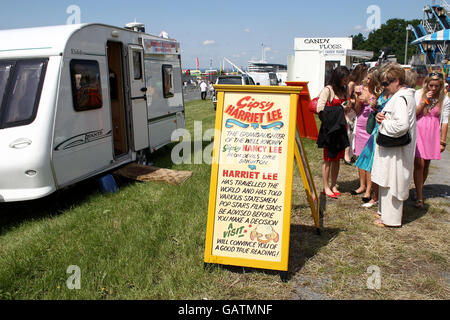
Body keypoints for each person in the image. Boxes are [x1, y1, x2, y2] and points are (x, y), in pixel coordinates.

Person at [371, 64, 417, 228]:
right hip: (395, 149)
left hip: (396, 150)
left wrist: (384, 123)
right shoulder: (403, 96)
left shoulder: (400, 98)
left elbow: (401, 125)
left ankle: (391, 220)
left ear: (397, 81)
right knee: (388, 180)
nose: (383, 87)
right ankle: (386, 215)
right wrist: (382, 118)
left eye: (385, 83)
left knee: (392, 181)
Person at [412, 72, 450, 208]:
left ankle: (419, 189)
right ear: (426, 84)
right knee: (419, 163)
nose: (433, 89)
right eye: (431, 85)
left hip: (432, 133)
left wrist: (442, 141)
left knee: (426, 164)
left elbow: (445, 121)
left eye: (437, 86)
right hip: (419, 130)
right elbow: (414, 112)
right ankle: (420, 198)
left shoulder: (444, 99)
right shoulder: (418, 94)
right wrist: (424, 101)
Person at [316, 66, 351, 199]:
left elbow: (345, 109)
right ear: (338, 77)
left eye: (347, 79)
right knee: (328, 159)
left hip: (341, 128)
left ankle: (333, 184)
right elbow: (320, 109)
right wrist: (339, 109)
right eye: (344, 79)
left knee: (337, 159)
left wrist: (346, 108)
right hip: (330, 130)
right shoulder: (328, 90)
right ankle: (326, 186)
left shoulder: (344, 90)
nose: (346, 82)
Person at [350, 68, 383, 201]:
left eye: (370, 78)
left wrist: (372, 103)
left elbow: (381, 109)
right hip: (361, 124)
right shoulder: (361, 89)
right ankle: (362, 185)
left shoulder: (380, 92)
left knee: (369, 157)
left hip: (372, 126)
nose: (367, 80)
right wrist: (358, 99)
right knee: (359, 156)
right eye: (367, 78)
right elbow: (357, 111)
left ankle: (369, 189)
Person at [345, 64, 369, 164]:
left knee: (353, 133)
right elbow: (347, 99)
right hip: (350, 111)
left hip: (356, 111)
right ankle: (347, 155)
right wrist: (357, 100)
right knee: (350, 133)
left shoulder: (360, 84)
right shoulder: (352, 84)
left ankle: (352, 154)